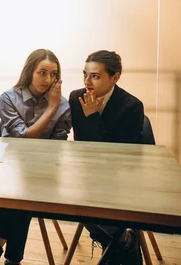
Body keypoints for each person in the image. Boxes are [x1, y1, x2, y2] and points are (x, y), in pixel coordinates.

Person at [0, 49, 71, 265]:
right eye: (42, 72)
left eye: (54, 74)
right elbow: (23, 137)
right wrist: (51, 108)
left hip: (42, 172)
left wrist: (56, 105)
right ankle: (13, 259)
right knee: (21, 193)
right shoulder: (9, 98)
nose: (48, 80)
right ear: (30, 72)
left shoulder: (63, 104)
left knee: (24, 191)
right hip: (8, 168)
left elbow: (58, 148)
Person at [69, 50, 144, 264]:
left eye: (95, 76)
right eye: (85, 74)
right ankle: (125, 241)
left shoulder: (131, 106)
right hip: (88, 173)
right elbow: (82, 144)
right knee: (69, 199)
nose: (87, 81)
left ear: (115, 77)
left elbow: (118, 155)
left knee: (88, 204)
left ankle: (117, 244)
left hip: (121, 177)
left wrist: (93, 117)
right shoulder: (77, 97)